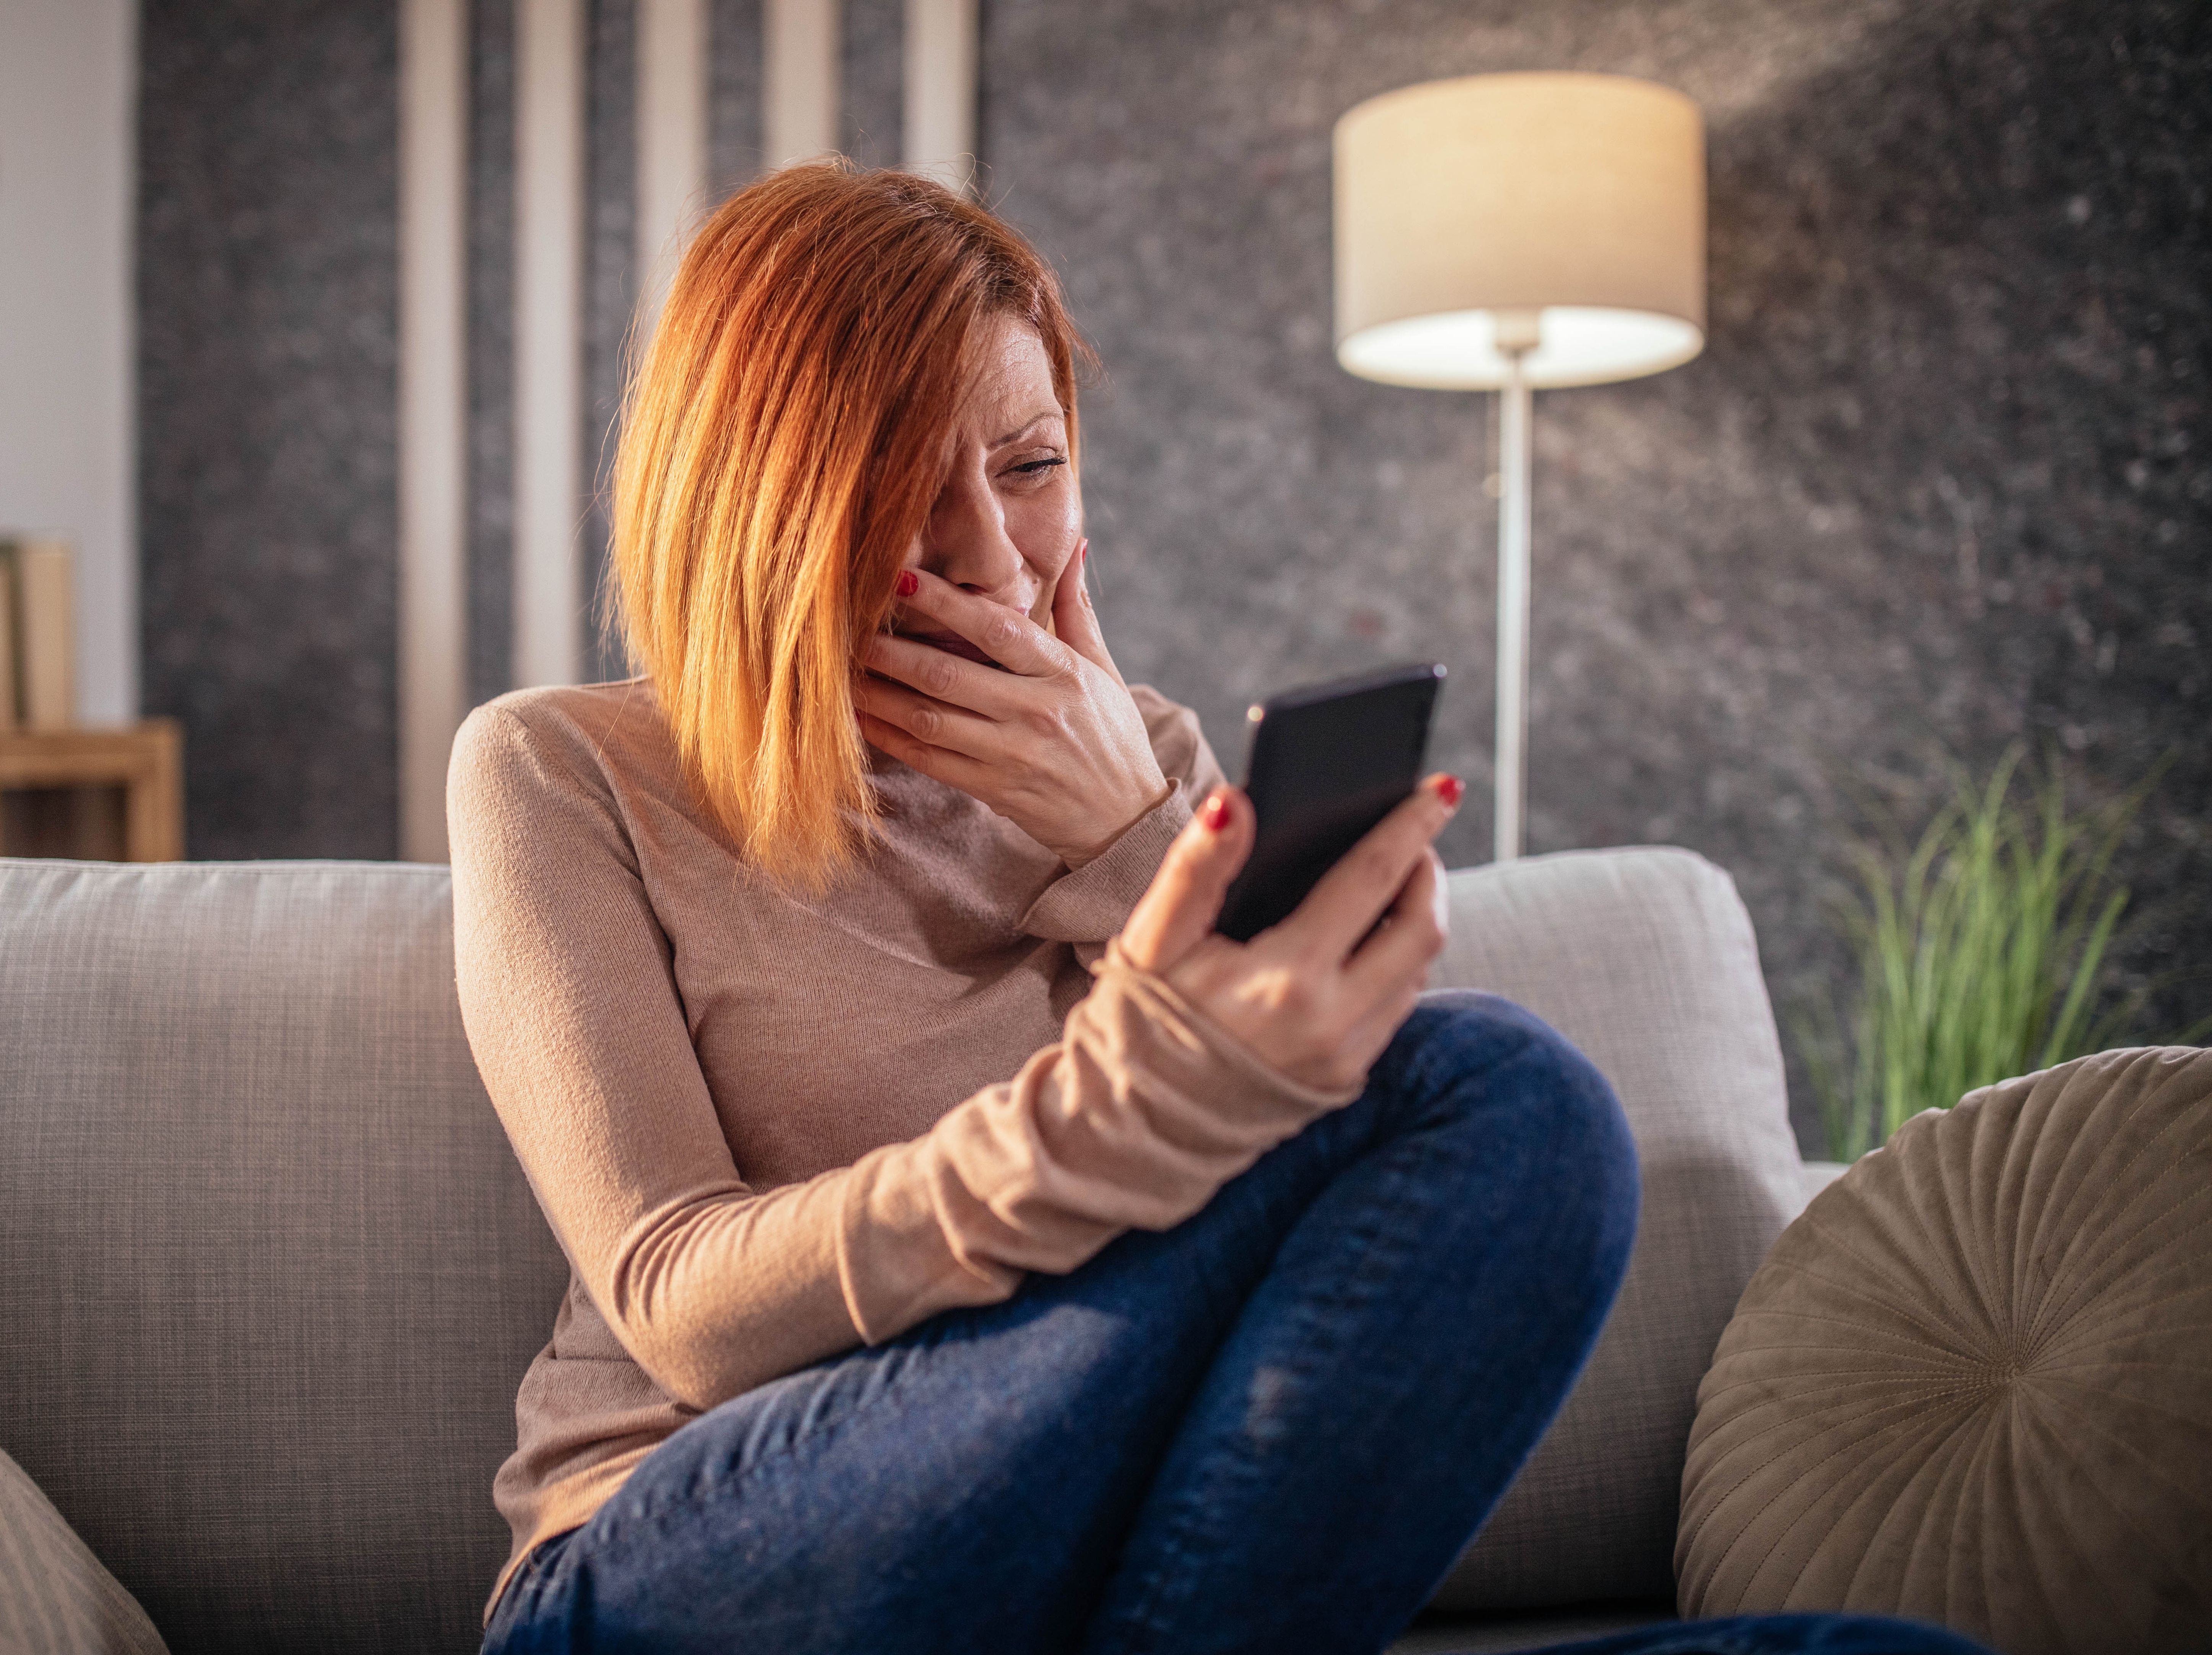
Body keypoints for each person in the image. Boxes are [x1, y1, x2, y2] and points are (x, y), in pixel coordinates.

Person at [450, 162, 1986, 1655]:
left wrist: (1133, 837)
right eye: (895, 487)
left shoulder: (1150, 767)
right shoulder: (562, 768)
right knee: (1489, 1082)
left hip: (1102, 1572)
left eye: (1030, 466)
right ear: (754, 506)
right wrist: (1126, 1108)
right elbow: (679, 1302)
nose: (988, 557)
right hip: (693, 1555)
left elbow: (1301, 1218)